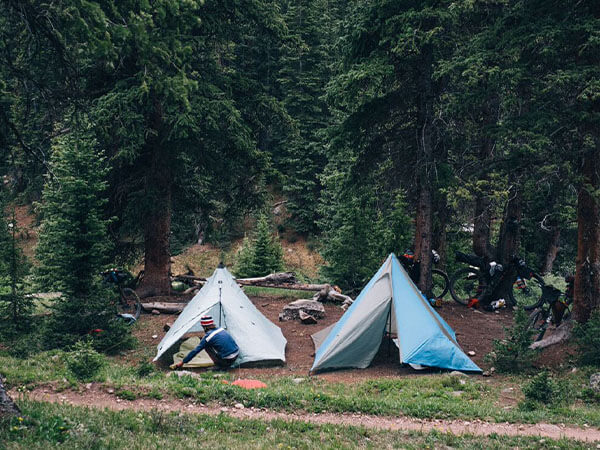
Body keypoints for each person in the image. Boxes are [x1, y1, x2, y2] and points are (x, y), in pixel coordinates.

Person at [172, 315, 239, 370]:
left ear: (204, 327)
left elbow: (195, 351)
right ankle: (224, 361)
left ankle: (219, 365)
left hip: (228, 359)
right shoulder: (221, 329)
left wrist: (183, 362)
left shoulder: (207, 337)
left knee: (206, 346)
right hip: (236, 354)